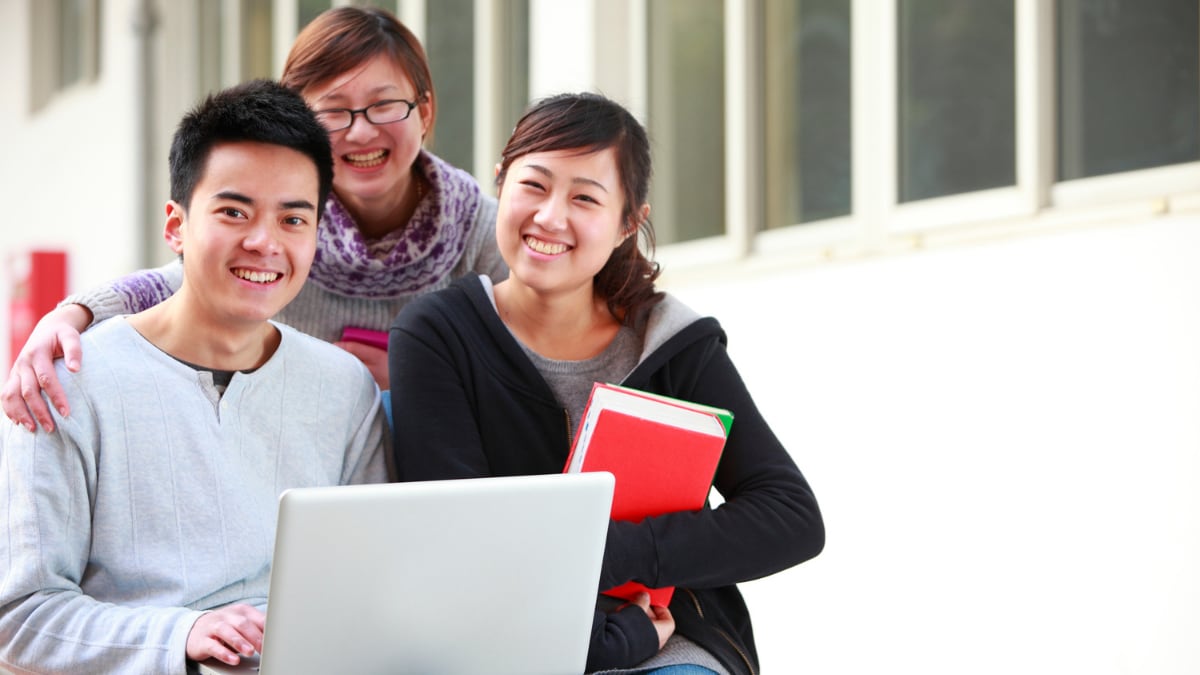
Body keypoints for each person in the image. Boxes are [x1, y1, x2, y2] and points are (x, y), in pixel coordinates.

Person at [387, 92, 824, 675]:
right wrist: (613, 639)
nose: (550, 217)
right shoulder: (438, 334)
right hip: (505, 645)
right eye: (534, 186)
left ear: (628, 223)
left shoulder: (670, 341)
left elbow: (791, 517)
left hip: (667, 640)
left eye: (584, 199)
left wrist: (613, 553)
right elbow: (463, 545)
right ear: (501, 183)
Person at [0, 80, 391, 674]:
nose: (264, 242)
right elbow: (20, 616)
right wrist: (182, 633)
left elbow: (369, 587)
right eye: (234, 212)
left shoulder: (344, 389)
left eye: (293, 218)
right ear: (176, 225)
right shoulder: (66, 381)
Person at [2, 5, 506, 433]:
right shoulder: (281, 235)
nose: (361, 132)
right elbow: (177, 285)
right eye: (333, 112)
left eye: (384, 105)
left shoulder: (484, 234)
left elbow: (533, 366)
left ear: (425, 110)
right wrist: (70, 316)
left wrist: (413, 378)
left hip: (439, 474)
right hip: (299, 464)